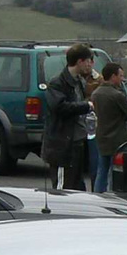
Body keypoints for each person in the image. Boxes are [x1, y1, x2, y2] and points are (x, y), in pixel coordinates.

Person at [40, 43, 95, 190]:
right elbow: (59, 107)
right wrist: (86, 106)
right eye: (88, 60)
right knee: (62, 189)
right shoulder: (57, 83)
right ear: (79, 61)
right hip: (62, 146)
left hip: (77, 143)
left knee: (77, 188)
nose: (90, 64)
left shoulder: (80, 82)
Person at [91, 62, 127, 193]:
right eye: (120, 76)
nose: (122, 79)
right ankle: (113, 195)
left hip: (102, 136)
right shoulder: (117, 95)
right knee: (115, 171)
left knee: (102, 169)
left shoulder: (96, 94)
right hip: (118, 138)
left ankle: (98, 194)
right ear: (113, 76)